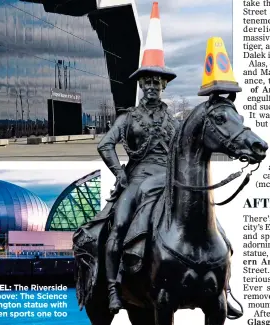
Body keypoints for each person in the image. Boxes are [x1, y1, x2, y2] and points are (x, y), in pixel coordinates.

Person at [99, 3, 241, 318]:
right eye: (146, 82)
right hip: (137, 181)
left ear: (163, 85)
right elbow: (105, 144)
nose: (151, 86)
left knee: (215, 229)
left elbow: (189, 147)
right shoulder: (128, 117)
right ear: (140, 85)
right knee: (118, 227)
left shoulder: (174, 120)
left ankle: (223, 288)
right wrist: (118, 175)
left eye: (156, 82)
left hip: (168, 181)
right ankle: (113, 288)